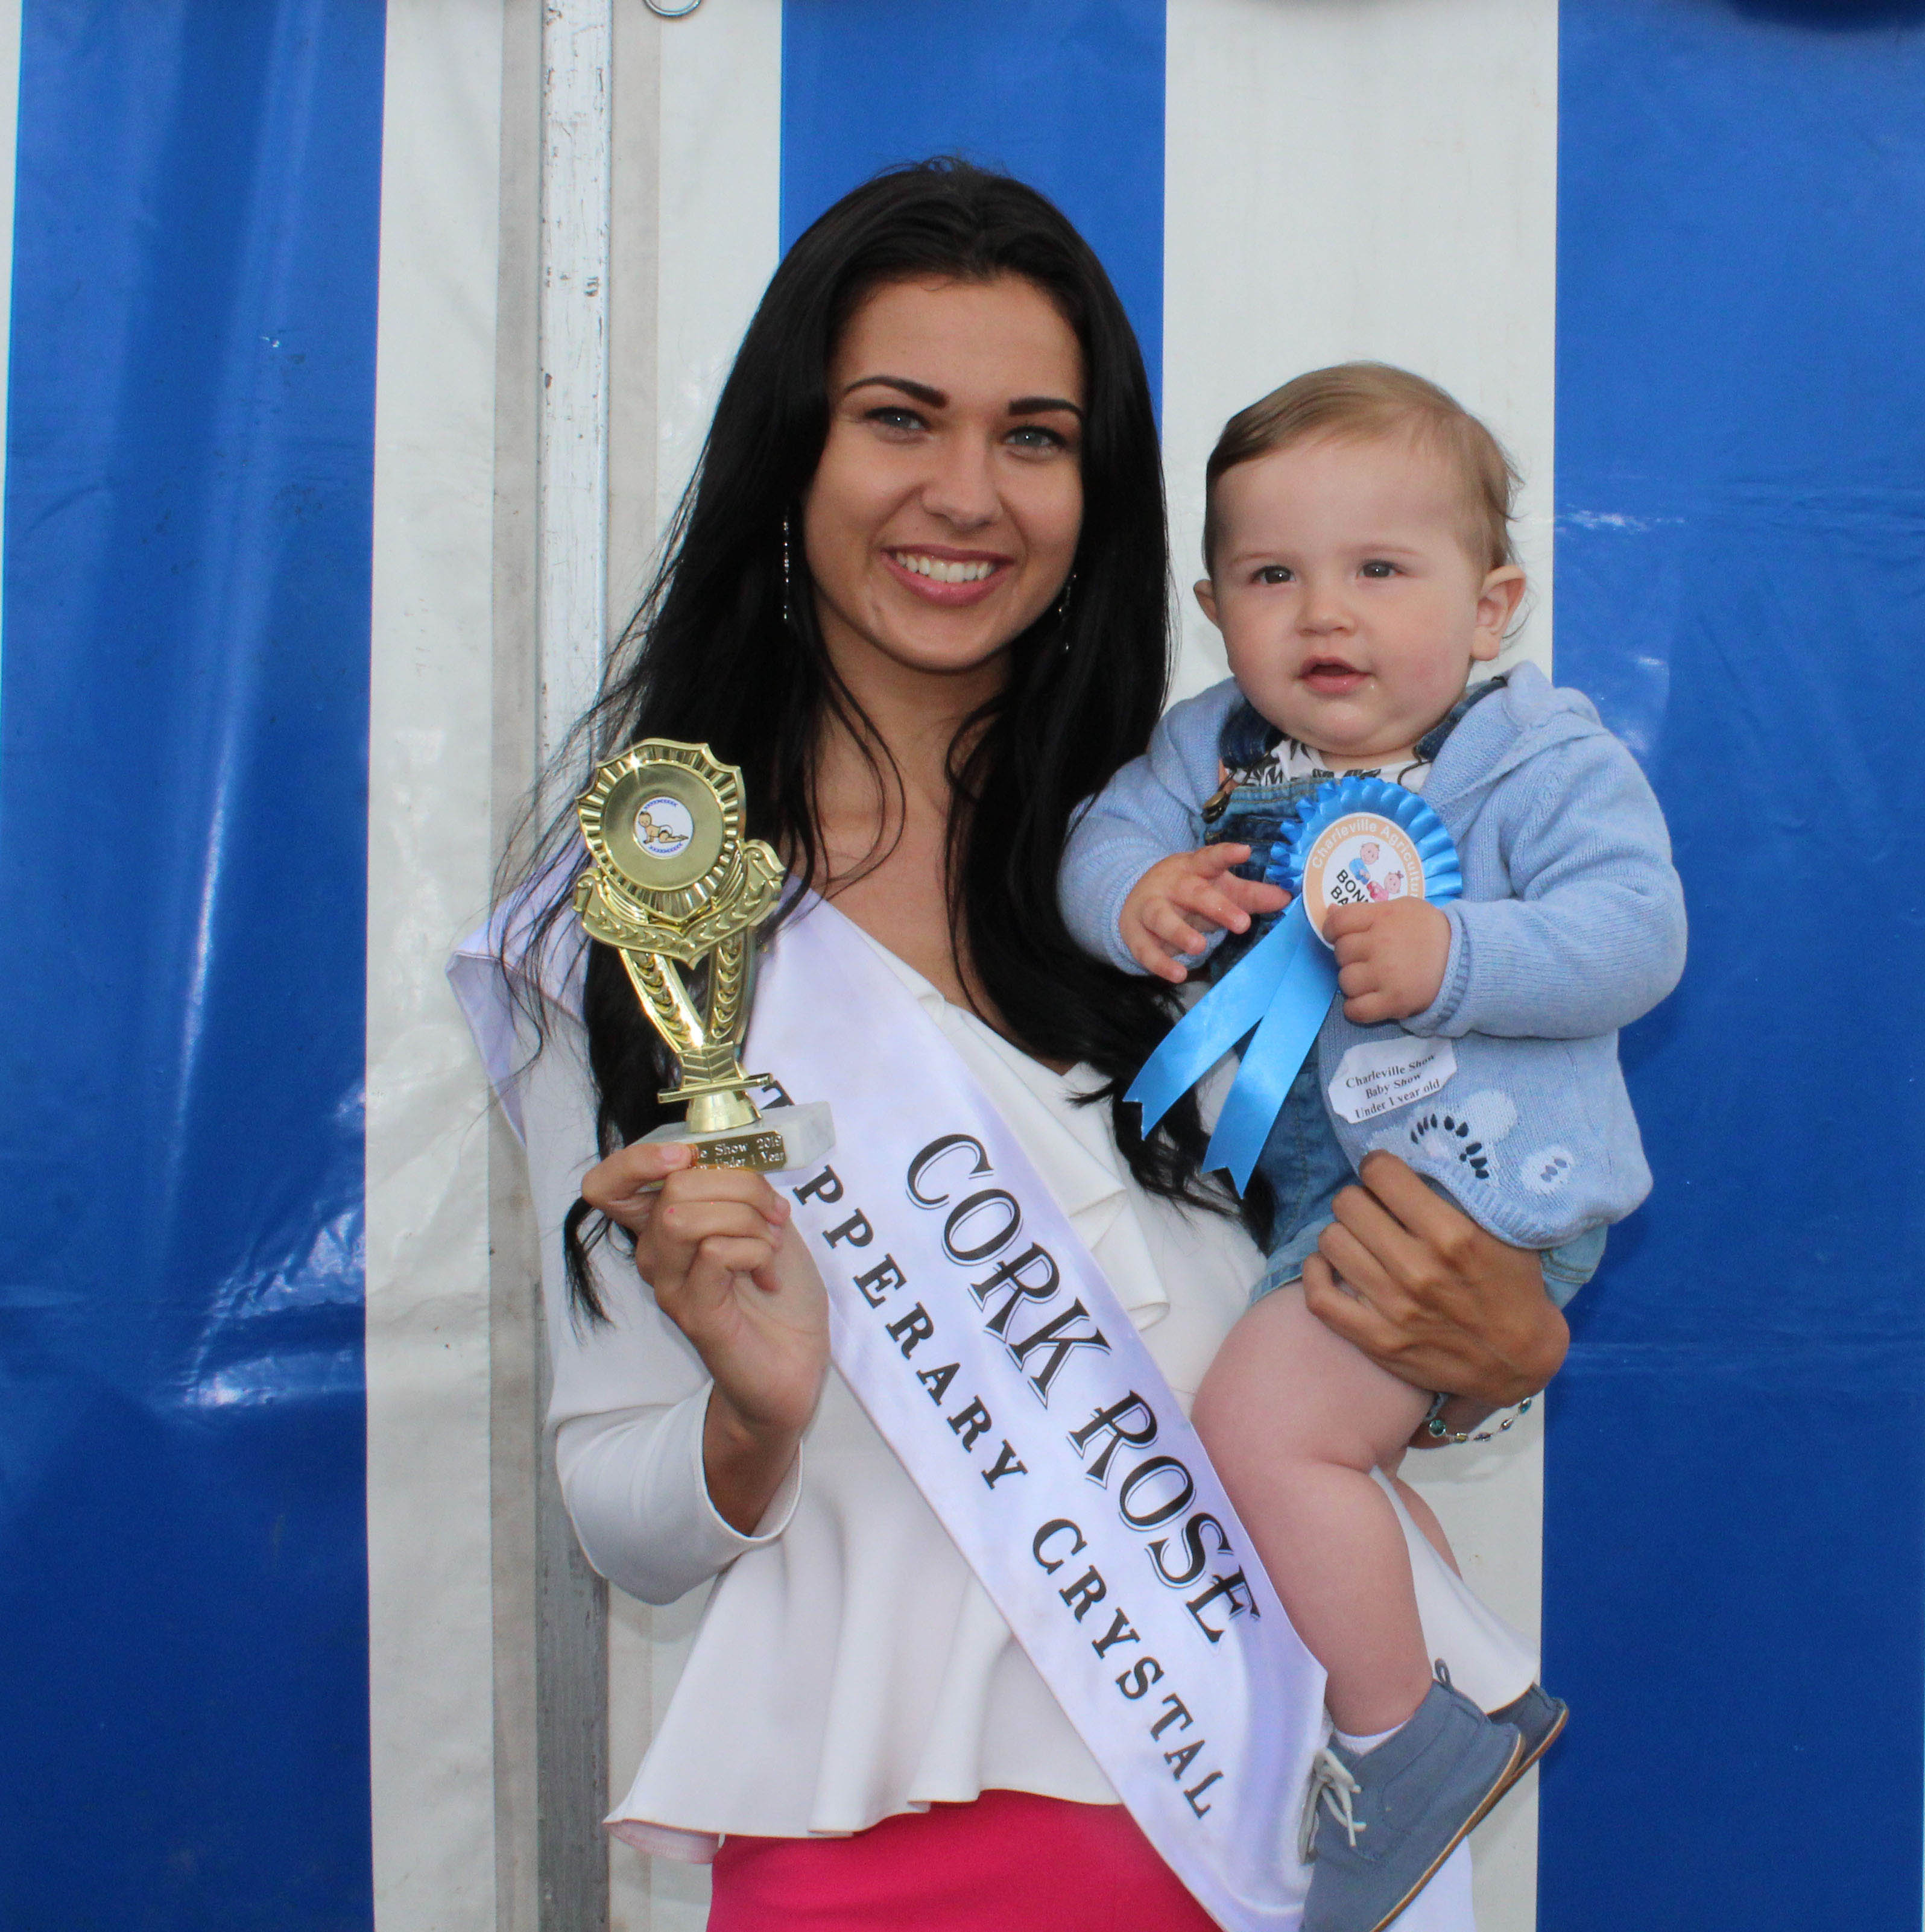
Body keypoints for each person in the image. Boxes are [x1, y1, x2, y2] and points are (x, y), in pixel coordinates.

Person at [475, 167, 1572, 1932]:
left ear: (1100, 492)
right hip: (890, 1849)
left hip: (1293, 1826)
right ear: (790, 452)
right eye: (900, 418)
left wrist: (1484, 1363)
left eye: (1036, 437)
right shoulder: (631, 929)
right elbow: (624, 1515)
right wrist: (754, 1414)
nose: (968, 493)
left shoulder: (1222, 863)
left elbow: (1349, 1278)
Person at [1058, 365, 1686, 1931]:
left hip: (1488, 1187)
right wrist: (1135, 896)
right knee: (1313, 1462)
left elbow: (1639, 932)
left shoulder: (1539, 754)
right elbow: (1100, 837)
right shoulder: (1214, 747)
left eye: (1383, 569)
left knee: (1263, 1436)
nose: (1324, 614)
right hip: (1324, 1189)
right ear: (1214, 607)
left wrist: (1458, 956)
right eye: (1273, 576)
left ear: (1493, 606)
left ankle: (1402, 1743)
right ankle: (1446, 1686)